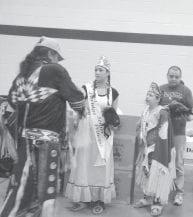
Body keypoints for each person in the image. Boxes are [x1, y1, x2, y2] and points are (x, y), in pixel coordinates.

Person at [0, 36, 85, 217]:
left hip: (25, 140)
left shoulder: (22, 75)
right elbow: (77, 101)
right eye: (57, 57)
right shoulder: (54, 70)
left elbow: (11, 107)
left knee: (22, 186)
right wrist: (83, 98)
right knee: (45, 189)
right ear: (50, 53)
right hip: (47, 141)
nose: (58, 61)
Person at [65, 56, 119, 215]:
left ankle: (99, 199)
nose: (97, 72)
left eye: (100, 70)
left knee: (101, 165)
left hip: (103, 135)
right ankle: (84, 198)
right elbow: (79, 108)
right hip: (87, 132)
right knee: (84, 163)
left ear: (107, 73)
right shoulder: (86, 89)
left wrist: (112, 121)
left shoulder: (113, 92)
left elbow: (114, 114)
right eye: (96, 69)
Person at [134, 82, 175, 216]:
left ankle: (157, 202)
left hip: (158, 150)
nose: (147, 97)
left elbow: (164, 133)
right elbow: (143, 126)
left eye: (151, 95)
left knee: (157, 174)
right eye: (147, 94)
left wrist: (160, 151)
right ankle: (147, 198)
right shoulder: (145, 110)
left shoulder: (162, 112)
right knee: (146, 172)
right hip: (147, 147)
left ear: (158, 99)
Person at [159, 66, 193, 206]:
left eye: (176, 77)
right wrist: (165, 109)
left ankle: (179, 192)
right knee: (162, 161)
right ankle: (163, 189)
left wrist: (187, 116)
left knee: (178, 162)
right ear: (167, 75)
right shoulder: (161, 89)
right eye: (171, 76)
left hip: (179, 132)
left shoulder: (186, 91)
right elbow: (153, 108)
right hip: (162, 132)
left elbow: (192, 112)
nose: (174, 79)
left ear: (180, 77)